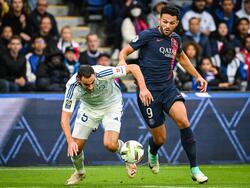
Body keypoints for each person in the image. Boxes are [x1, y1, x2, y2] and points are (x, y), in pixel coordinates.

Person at [118, 5, 208, 184]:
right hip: (148, 93)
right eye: (164, 22)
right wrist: (122, 66)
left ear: (176, 23)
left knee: (183, 121)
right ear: (159, 20)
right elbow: (125, 52)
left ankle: (195, 169)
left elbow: (182, 58)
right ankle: (153, 151)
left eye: (172, 23)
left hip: (168, 89)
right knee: (160, 138)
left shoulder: (176, 39)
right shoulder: (147, 35)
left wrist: (198, 76)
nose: (167, 26)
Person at [61, 64, 153, 185]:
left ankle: (128, 157)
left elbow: (134, 68)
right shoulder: (72, 87)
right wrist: (70, 141)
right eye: (86, 84)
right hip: (89, 110)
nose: (90, 87)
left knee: (110, 144)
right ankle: (80, 172)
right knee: (76, 148)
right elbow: (64, 118)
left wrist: (143, 88)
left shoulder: (104, 72)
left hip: (112, 105)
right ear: (79, 79)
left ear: (95, 75)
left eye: (92, 82)